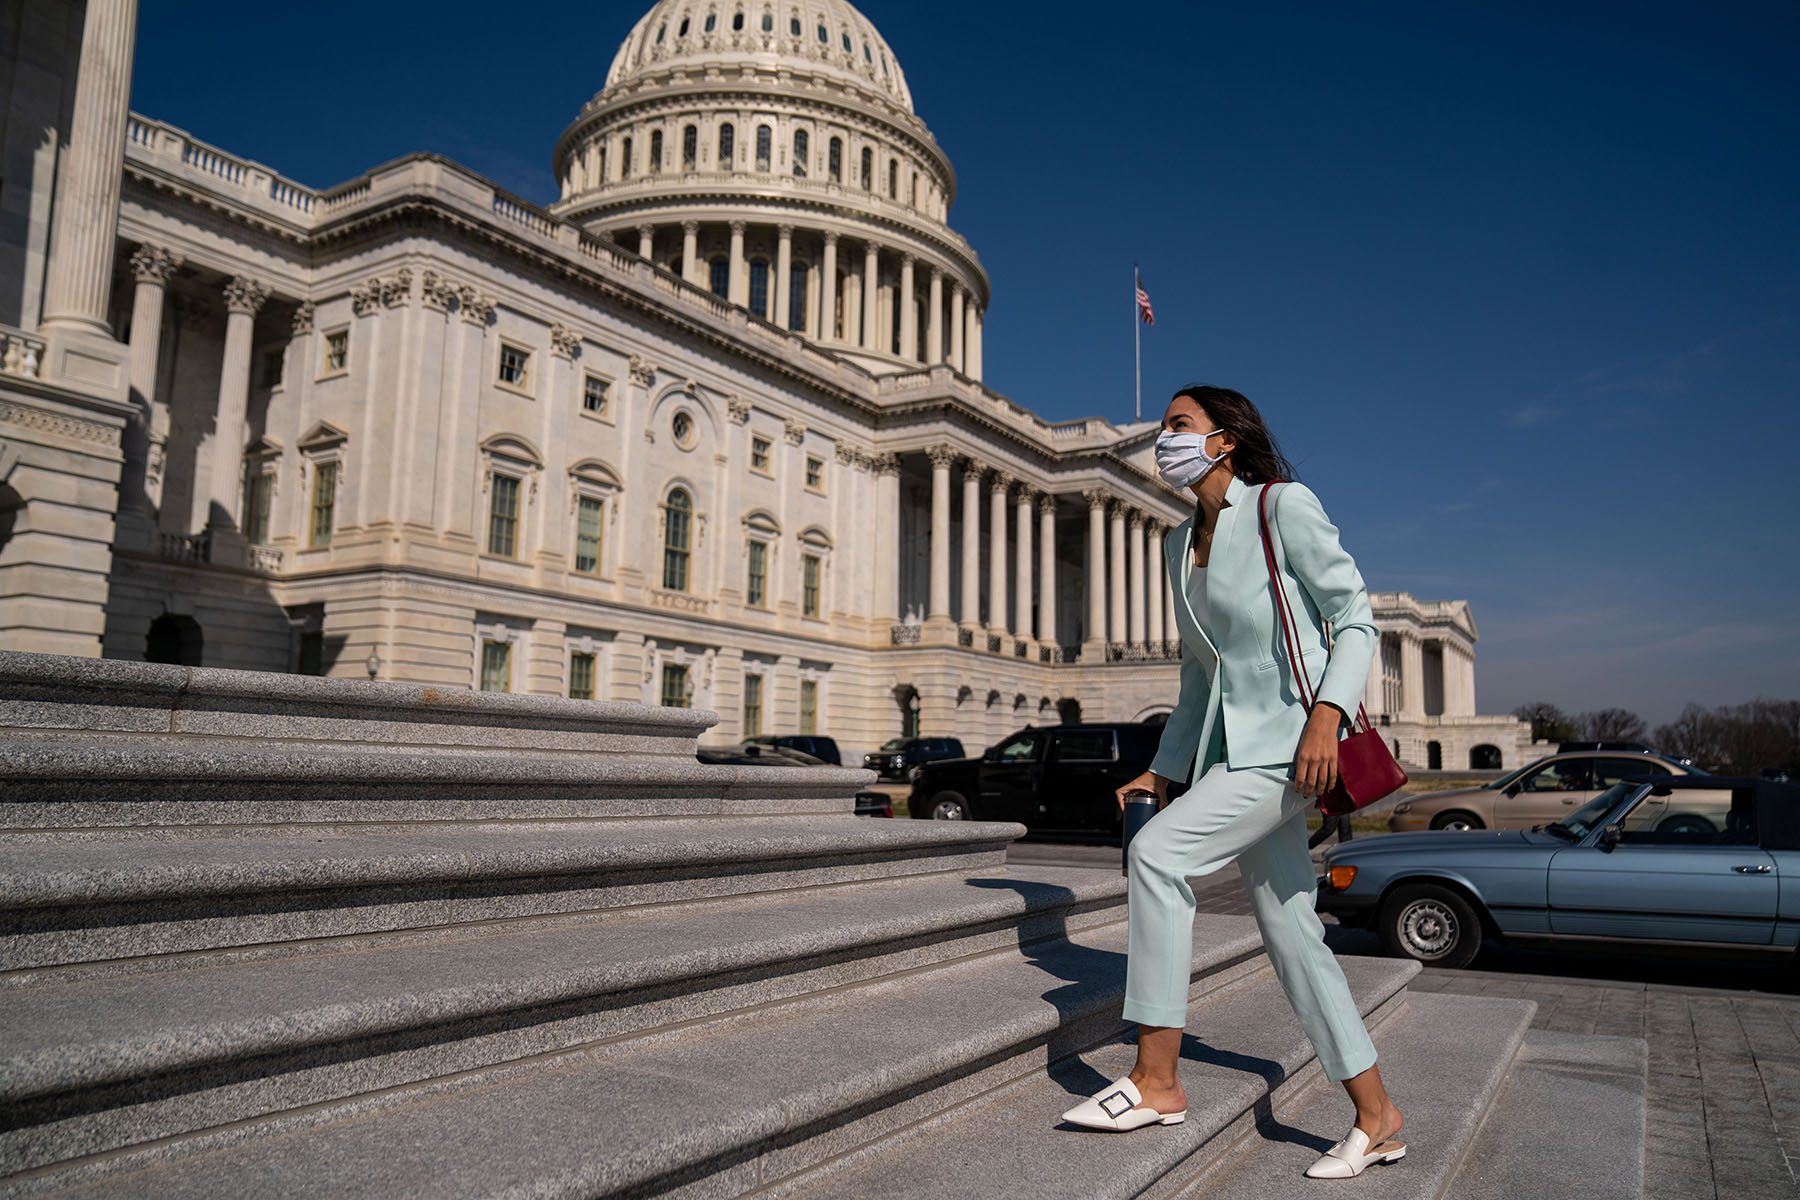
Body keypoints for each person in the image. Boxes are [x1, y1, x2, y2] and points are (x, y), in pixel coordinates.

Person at [1059, 385, 1406, 1181]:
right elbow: (1197, 677)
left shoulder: (1282, 507)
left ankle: (1156, 1078)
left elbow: (1355, 618)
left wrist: (1326, 714)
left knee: (1157, 856)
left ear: (1223, 440)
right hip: (1233, 752)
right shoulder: (1181, 544)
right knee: (1294, 937)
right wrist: (1163, 766)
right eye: (1164, 429)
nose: (1164, 440)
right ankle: (1379, 1115)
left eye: (1177, 426)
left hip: (1292, 750)